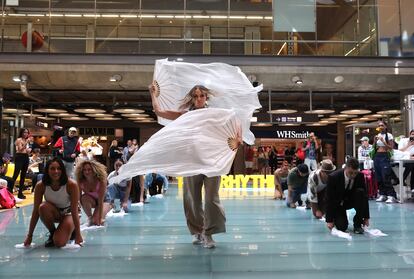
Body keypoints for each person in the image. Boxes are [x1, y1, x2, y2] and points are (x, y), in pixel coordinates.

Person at [150, 82, 237, 249]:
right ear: (192, 98)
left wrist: (238, 138)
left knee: (212, 198)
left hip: (211, 162)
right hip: (191, 162)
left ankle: (209, 232)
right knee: (192, 198)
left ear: (206, 97)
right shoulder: (186, 115)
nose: (199, 99)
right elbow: (159, 112)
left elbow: (234, 120)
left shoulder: (214, 114)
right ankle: (198, 231)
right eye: (196, 96)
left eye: (202, 95)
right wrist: (153, 94)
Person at [23, 158, 83, 247]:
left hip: (69, 213)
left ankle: (72, 230)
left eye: (59, 168)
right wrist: (29, 236)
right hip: (55, 212)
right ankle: (52, 232)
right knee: (42, 207)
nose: (56, 171)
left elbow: (74, 211)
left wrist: (78, 234)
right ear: (47, 170)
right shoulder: (40, 185)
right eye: (52, 168)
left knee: (59, 243)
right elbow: (36, 211)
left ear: (62, 170)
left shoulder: (71, 185)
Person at [325, 157, 370, 234]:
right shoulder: (333, 177)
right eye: (350, 172)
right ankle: (338, 219)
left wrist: (366, 217)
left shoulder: (360, 176)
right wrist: (329, 220)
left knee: (360, 192)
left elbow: (364, 197)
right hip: (338, 204)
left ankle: (357, 225)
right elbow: (329, 199)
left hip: (352, 200)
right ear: (345, 168)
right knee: (342, 227)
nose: (353, 175)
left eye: (355, 173)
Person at [75, 159, 107, 226]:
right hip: (92, 200)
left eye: (89, 169)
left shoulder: (101, 180)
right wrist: (76, 216)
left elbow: (100, 201)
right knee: (83, 198)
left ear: (94, 170)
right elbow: (78, 199)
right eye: (84, 170)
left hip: (104, 201)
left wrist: (100, 219)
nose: (87, 172)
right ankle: (90, 217)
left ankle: (96, 217)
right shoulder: (80, 181)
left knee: (96, 221)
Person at [372, 121, 397, 203]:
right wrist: (375, 141)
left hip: (384, 156)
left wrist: (383, 141)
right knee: (378, 177)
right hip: (377, 156)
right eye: (379, 125)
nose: (380, 127)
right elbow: (374, 147)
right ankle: (383, 194)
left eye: (382, 125)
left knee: (385, 176)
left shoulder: (389, 135)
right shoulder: (378, 135)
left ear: (385, 126)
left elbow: (391, 147)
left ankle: (392, 195)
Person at [13, 128, 32, 199]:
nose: (26, 134)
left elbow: (26, 150)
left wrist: (28, 150)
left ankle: (20, 193)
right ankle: (9, 190)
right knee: (16, 174)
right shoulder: (19, 140)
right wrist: (26, 143)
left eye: (27, 132)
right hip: (19, 157)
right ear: (21, 133)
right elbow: (20, 149)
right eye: (24, 132)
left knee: (23, 175)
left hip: (25, 157)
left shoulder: (26, 141)